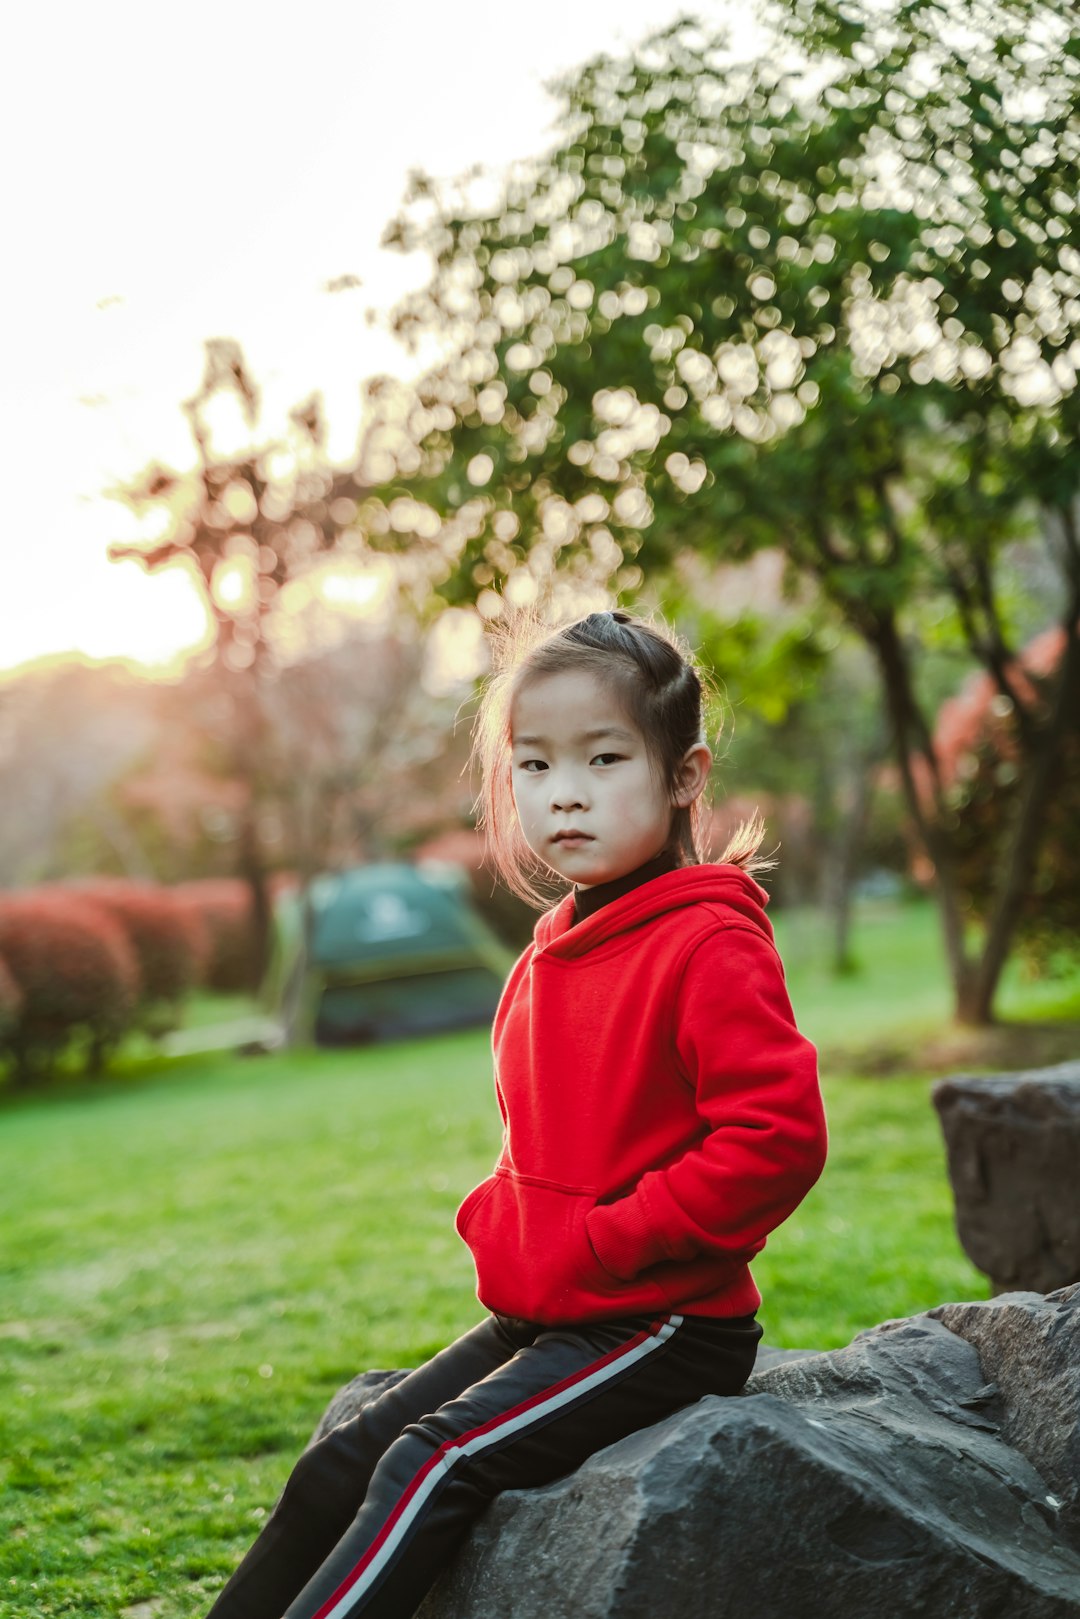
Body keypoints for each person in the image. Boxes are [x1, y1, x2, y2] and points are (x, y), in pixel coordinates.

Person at [205, 609, 828, 1619]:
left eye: (603, 756)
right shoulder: (556, 944)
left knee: (431, 1457)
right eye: (533, 764)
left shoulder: (707, 942)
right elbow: (545, 1132)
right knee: (337, 1465)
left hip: (662, 1317)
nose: (563, 791)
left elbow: (777, 1139)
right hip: (551, 1306)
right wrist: (513, 1220)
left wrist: (611, 1235)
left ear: (684, 773)